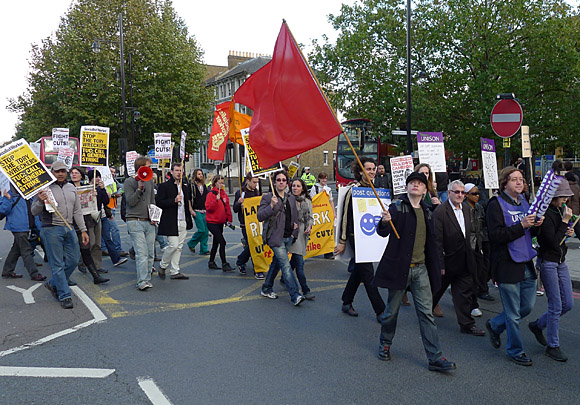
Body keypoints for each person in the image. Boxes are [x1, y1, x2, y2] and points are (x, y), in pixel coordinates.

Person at [374, 172, 456, 372]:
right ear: (407, 187)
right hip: (399, 268)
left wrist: (438, 265)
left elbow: (433, 243)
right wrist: (384, 221)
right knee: (391, 313)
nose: (416, 185)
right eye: (412, 182)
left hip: (420, 270)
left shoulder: (428, 211)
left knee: (426, 314)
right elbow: (382, 232)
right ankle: (385, 343)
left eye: (420, 183)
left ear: (425, 190)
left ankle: (435, 358)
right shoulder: (397, 207)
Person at [485, 166, 543, 366]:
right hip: (506, 263)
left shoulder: (525, 202)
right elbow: (496, 236)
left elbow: (530, 234)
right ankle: (515, 351)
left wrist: (537, 226)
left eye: (521, 179)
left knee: (526, 306)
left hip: (526, 262)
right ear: (504, 183)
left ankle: (495, 324)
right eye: (514, 179)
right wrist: (522, 225)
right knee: (513, 314)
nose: (519, 183)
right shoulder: (495, 204)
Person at [31, 161, 90, 309]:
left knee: (73, 260)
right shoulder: (44, 189)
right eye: (57, 171)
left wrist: (83, 230)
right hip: (51, 229)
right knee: (57, 264)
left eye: (63, 171)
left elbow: (77, 210)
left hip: (68, 227)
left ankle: (53, 283)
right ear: (52, 172)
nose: (60, 174)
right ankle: (65, 295)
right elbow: (34, 211)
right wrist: (40, 200)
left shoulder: (71, 188)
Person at [531, 180, 577, 362]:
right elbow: (551, 243)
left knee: (568, 304)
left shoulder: (560, 210)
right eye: (562, 197)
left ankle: (538, 325)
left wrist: (570, 230)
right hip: (548, 261)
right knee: (556, 305)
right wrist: (565, 223)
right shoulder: (546, 215)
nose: (565, 200)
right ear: (552, 198)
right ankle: (553, 345)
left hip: (561, 261)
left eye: (566, 197)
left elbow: (562, 239)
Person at [335, 157, 385, 321]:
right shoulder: (353, 190)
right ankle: (381, 311)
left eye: (373, 169)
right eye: (368, 169)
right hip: (356, 238)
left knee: (359, 270)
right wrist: (342, 241)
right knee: (368, 273)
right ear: (360, 171)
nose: (371, 172)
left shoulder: (376, 189)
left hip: (370, 238)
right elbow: (344, 217)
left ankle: (346, 301)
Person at [432, 180, 486, 336]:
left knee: (464, 294)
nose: (460, 195)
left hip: (464, 260)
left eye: (462, 192)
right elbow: (437, 241)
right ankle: (426, 313)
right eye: (456, 192)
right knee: (437, 290)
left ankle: (467, 324)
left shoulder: (467, 210)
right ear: (449, 193)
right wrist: (440, 264)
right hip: (447, 261)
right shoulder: (441, 212)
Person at [258, 171, 305, 306]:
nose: (281, 182)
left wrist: (294, 232)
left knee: (276, 263)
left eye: (284, 180)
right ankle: (295, 294)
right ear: (274, 182)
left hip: (287, 236)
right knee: (285, 265)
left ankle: (266, 288)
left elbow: (294, 216)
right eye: (278, 180)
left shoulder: (290, 198)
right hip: (275, 238)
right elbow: (260, 216)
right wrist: (271, 206)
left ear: (287, 183)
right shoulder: (268, 197)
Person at [68, 167, 109, 285]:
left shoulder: (87, 186)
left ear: (81, 175)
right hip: (72, 221)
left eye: (76, 173)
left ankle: (96, 274)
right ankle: (67, 275)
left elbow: (103, 201)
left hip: (88, 219)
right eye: (72, 173)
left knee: (89, 245)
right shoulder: (67, 187)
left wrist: (96, 193)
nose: (74, 175)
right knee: (74, 250)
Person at [156, 163, 194, 280]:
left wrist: (190, 216)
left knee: (179, 247)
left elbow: (188, 203)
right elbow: (159, 203)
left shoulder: (185, 187)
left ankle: (175, 271)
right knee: (173, 245)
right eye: (176, 170)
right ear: (171, 172)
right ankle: (163, 265)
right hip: (171, 220)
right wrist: (174, 200)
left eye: (180, 171)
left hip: (183, 219)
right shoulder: (165, 186)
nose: (179, 173)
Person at [0, 186, 46, 281]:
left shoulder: (30, 192)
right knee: (26, 249)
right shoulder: (10, 192)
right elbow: (3, 210)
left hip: (27, 225)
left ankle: (7, 271)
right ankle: (34, 273)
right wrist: (8, 199)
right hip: (18, 226)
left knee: (16, 249)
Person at [125, 156, 157, 291]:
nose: (150, 169)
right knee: (141, 253)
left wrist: (154, 216)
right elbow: (130, 202)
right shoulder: (129, 182)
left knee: (150, 253)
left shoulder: (150, 181)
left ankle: (147, 278)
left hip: (148, 221)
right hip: (135, 221)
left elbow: (152, 201)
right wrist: (139, 190)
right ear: (140, 168)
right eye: (148, 167)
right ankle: (141, 281)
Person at [464, 183, 494, 303]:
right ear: (466, 195)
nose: (477, 196)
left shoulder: (479, 207)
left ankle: (481, 288)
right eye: (474, 193)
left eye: (478, 193)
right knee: (473, 268)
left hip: (481, 240)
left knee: (484, 266)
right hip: (470, 242)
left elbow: (483, 223)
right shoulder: (463, 207)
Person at [287, 178, 315, 300]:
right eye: (293, 186)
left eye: (298, 186)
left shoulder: (307, 201)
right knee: (299, 262)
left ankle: (283, 278)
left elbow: (310, 217)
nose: (295, 188)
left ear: (302, 188)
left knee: (295, 257)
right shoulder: (288, 200)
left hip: (303, 233)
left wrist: (309, 226)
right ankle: (305, 289)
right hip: (292, 233)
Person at [233, 173, 262, 278]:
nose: (255, 184)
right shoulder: (240, 193)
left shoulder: (256, 192)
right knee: (252, 245)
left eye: (257, 182)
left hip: (255, 223)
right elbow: (235, 209)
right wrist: (239, 203)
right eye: (254, 182)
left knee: (256, 244)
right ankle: (242, 261)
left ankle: (243, 261)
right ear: (248, 181)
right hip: (245, 224)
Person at [205, 175, 233, 272]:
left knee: (216, 243)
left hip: (220, 222)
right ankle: (224, 263)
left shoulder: (224, 194)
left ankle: (211, 262)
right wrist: (215, 200)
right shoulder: (211, 194)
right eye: (219, 182)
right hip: (212, 222)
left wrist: (229, 218)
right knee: (222, 242)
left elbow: (227, 208)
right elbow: (209, 208)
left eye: (222, 183)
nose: (221, 184)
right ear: (215, 183)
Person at [101, 166, 127, 258]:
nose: (113, 173)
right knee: (114, 229)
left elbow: (121, 187)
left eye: (114, 172)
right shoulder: (103, 182)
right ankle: (117, 249)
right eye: (111, 172)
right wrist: (112, 195)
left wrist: (118, 193)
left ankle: (104, 248)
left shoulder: (114, 182)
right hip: (107, 209)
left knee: (106, 230)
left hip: (112, 207)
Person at [309, 171, 335, 260]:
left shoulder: (328, 189)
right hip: (318, 213)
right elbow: (312, 200)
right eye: (323, 178)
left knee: (327, 232)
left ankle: (328, 252)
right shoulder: (315, 188)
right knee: (317, 231)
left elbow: (330, 201)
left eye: (326, 178)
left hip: (326, 213)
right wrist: (320, 194)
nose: (324, 180)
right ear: (319, 179)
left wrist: (333, 213)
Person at [187, 169, 210, 255]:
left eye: (201, 174)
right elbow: (189, 199)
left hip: (205, 210)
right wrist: (191, 210)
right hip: (196, 210)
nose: (201, 175)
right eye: (199, 174)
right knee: (201, 230)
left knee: (206, 231)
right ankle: (191, 243)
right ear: (195, 176)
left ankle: (204, 249)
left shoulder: (204, 186)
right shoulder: (192, 186)